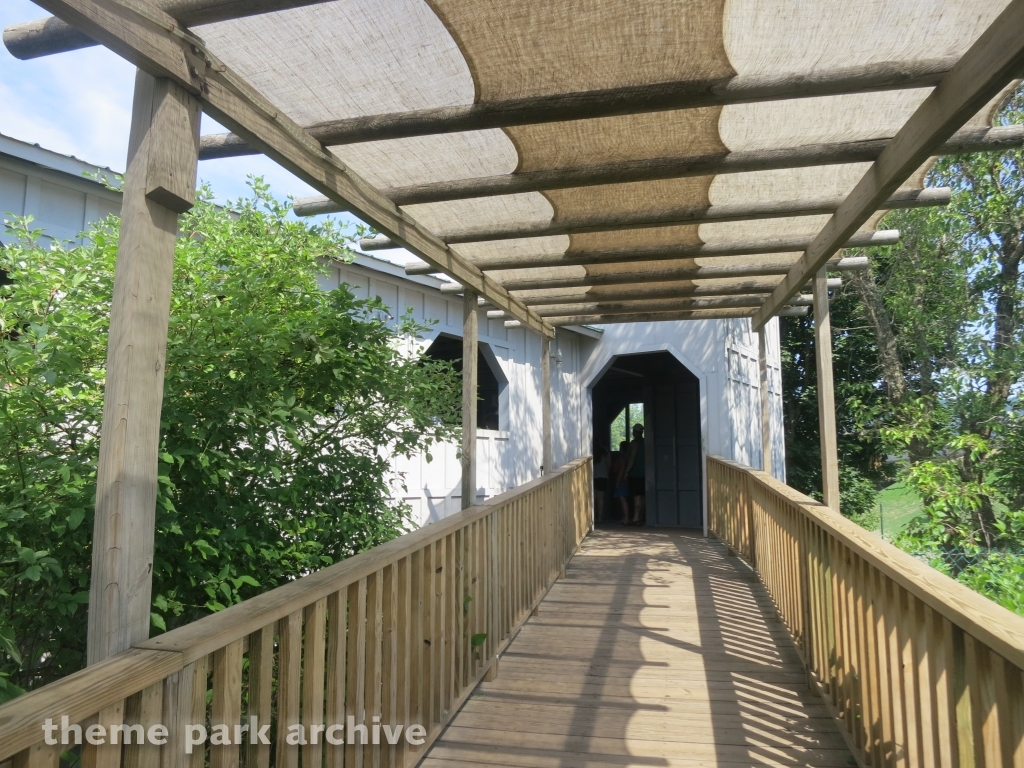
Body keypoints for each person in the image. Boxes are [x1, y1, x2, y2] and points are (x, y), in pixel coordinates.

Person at [624, 423, 646, 525]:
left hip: (636, 473)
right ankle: (640, 517)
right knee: (642, 496)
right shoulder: (646, 442)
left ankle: (635, 518)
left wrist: (627, 471)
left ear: (635, 432)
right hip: (645, 473)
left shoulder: (634, 443)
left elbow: (632, 458)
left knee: (636, 496)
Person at [610, 440, 630, 524]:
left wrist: (618, 481)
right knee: (623, 499)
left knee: (622, 499)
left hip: (621, 480)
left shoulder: (622, 457)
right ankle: (625, 518)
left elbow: (621, 469)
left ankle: (626, 518)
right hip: (624, 480)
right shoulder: (627, 456)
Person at [593, 444, 609, 522]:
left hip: (593, 477)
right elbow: (609, 464)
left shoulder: (591, 452)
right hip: (603, 476)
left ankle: (593, 517)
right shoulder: (604, 453)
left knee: (594, 498)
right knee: (601, 499)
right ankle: (600, 518)